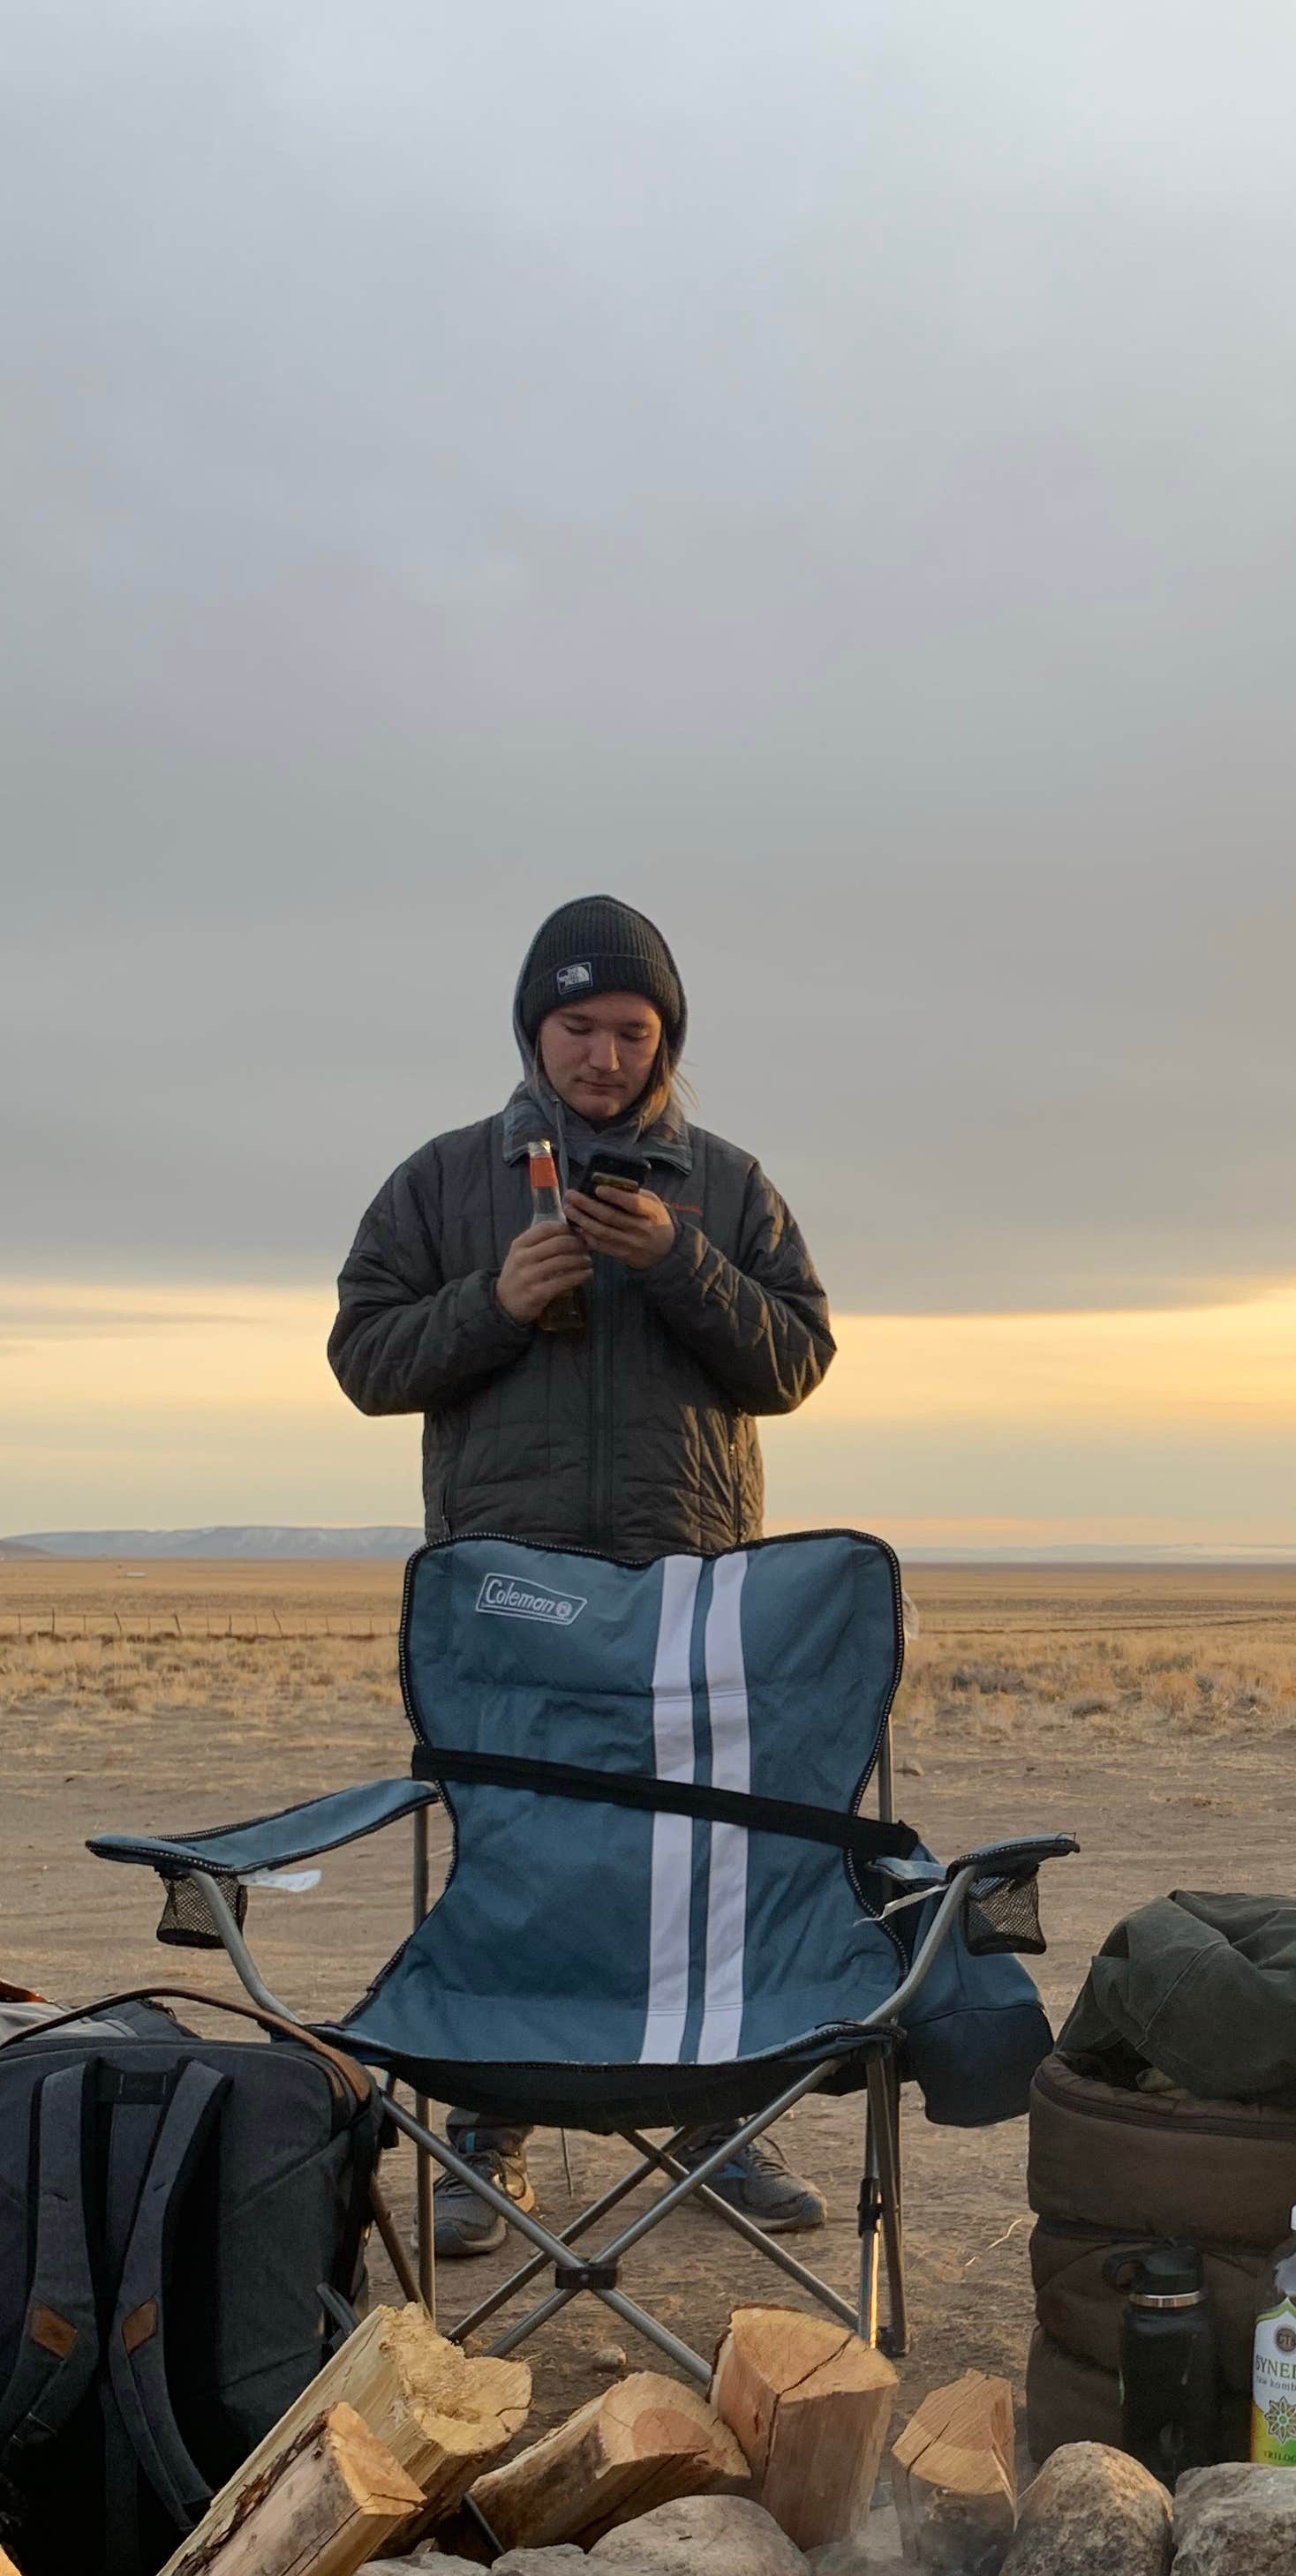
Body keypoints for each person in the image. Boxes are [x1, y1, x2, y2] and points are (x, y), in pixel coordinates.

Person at [331, 894, 837, 2255]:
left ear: (666, 1035)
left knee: (696, 1851)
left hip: (686, 1593)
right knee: (513, 1845)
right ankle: (492, 2125)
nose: (603, 1056)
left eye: (631, 1029)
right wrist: (493, 1302)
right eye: (578, 1027)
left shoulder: (724, 1186)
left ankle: (716, 2118)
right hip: (508, 1593)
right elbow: (364, 1360)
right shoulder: (444, 1182)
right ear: (533, 1029)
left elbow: (795, 1362)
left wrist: (684, 1266)